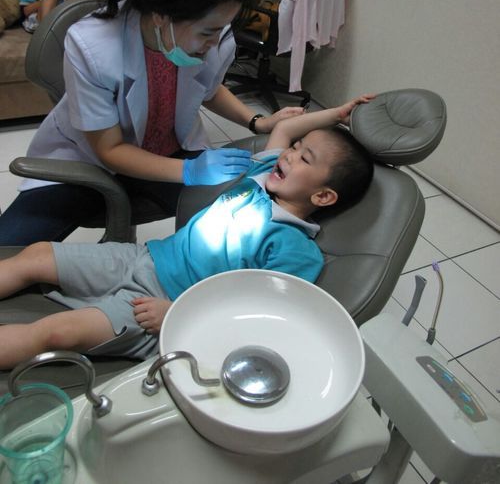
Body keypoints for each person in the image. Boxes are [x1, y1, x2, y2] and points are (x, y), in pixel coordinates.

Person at [0, 96, 374, 369]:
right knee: (36, 254)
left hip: (165, 302)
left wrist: (180, 313)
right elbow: (285, 128)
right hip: (144, 256)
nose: (289, 154)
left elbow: (258, 310)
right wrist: (339, 113)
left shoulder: (296, 250)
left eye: (304, 158)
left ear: (323, 196)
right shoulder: (262, 174)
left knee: (57, 334)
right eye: (295, 148)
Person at [0, 0, 303, 246]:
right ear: (161, 15)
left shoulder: (215, 35)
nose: (216, 42)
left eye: (222, 29)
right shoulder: (93, 46)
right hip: (89, 159)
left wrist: (257, 122)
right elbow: (110, 149)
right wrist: (189, 172)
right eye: (207, 32)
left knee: (248, 214)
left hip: (172, 150)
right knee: (7, 248)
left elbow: (209, 88)